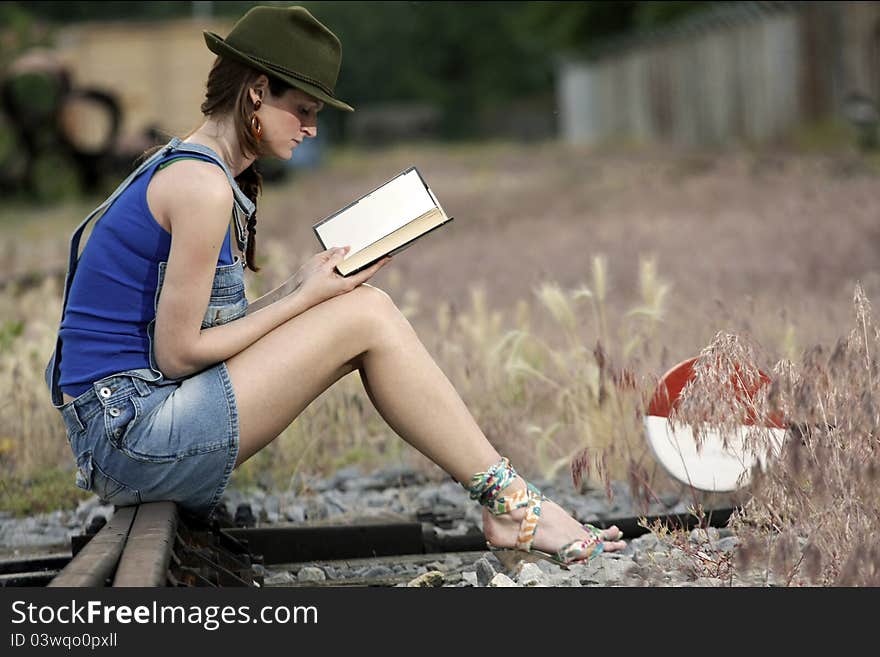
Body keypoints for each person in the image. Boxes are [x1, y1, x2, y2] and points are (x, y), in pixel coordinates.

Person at [45, 5, 625, 569]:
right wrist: (302, 300)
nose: (312, 127)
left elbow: (189, 338)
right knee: (366, 315)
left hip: (125, 426)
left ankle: (510, 504)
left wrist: (299, 286)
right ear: (256, 91)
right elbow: (178, 354)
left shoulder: (192, 167)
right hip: (131, 435)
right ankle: (515, 507)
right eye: (301, 108)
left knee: (360, 308)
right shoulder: (202, 186)